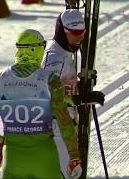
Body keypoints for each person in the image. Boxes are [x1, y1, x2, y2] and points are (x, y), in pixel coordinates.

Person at [0, 29, 82, 179]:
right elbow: (65, 122)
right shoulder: (50, 79)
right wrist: (74, 156)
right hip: (44, 158)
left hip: (13, 158)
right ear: (38, 50)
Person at [41, 9, 104, 178]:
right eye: (75, 33)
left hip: (65, 125)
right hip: (55, 127)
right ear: (62, 31)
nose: (80, 37)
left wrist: (80, 85)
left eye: (82, 32)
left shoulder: (66, 51)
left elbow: (61, 84)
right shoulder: (54, 56)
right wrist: (81, 98)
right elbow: (45, 92)